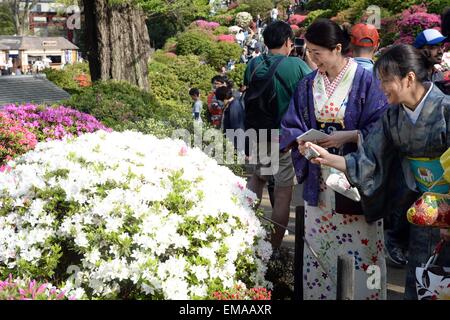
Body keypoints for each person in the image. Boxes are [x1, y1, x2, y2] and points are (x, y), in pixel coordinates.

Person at [296, 44, 450, 300]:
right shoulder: (392, 117)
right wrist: (328, 158)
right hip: (423, 210)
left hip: (447, 209)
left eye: (385, 81)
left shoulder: (445, 109)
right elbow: (369, 160)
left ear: (409, 78)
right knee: (422, 280)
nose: (380, 88)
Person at [280, 18, 388, 300]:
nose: (312, 59)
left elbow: (382, 127)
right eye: (309, 52)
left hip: (354, 179)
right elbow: (291, 124)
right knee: (320, 250)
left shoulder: (367, 80)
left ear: (338, 48)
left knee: (362, 250)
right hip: (320, 181)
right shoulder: (307, 84)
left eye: (317, 53)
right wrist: (302, 142)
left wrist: (349, 136)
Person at [244, 20, 311, 252]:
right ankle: (271, 249)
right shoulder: (296, 66)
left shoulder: (253, 64)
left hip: (259, 134)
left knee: (257, 179)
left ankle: (245, 234)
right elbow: (312, 90)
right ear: (288, 42)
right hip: (284, 139)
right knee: (283, 195)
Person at [215, 85, 245, 151]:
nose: (220, 102)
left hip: (236, 143)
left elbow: (236, 126)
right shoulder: (230, 104)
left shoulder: (234, 106)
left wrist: (236, 145)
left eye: (220, 100)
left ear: (224, 98)